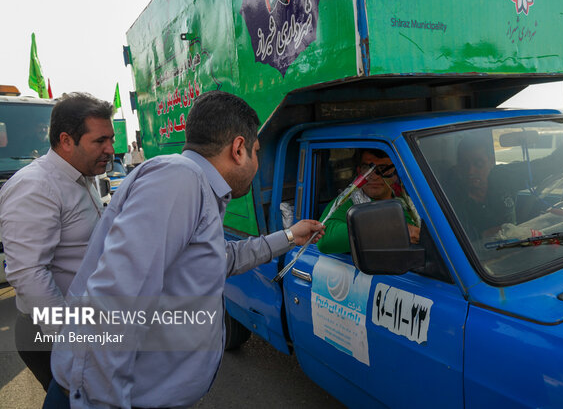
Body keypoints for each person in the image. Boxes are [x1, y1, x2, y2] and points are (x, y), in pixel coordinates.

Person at [46, 90, 324, 409]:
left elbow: (220, 259)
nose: (258, 163)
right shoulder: (179, 182)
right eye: (256, 151)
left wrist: (290, 236)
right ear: (238, 148)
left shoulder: (195, 186)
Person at [0, 92, 115, 391]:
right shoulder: (35, 187)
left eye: (111, 139)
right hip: (52, 334)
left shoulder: (82, 176)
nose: (110, 149)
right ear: (66, 141)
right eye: (100, 141)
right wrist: (71, 341)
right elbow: (29, 273)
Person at [446, 133, 563, 239]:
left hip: (515, 248)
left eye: (479, 164)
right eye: (465, 165)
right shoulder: (449, 195)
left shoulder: (504, 176)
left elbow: (546, 166)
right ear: (458, 167)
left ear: (491, 162)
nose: (471, 171)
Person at [317, 148, 420, 254]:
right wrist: (395, 230)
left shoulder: (410, 200)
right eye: (367, 168)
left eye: (383, 169)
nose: (374, 177)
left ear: (395, 173)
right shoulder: (347, 203)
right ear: (359, 171)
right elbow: (323, 240)